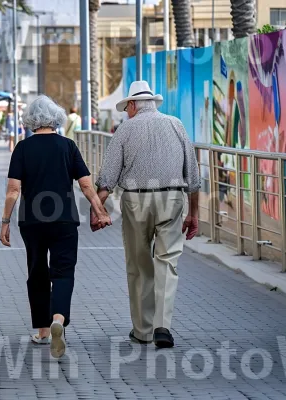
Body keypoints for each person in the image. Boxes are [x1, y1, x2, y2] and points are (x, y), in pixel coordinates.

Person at [0, 95, 111, 358]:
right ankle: (58, 320)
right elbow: (85, 184)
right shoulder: (68, 146)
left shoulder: (23, 148)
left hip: (32, 221)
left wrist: (5, 222)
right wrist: (100, 211)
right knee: (63, 272)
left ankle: (42, 331)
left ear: (30, 120)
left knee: (36, 273)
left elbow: (14, 189)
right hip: (64, 220)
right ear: (56, 118)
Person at [92, 80, 201, 349]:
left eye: (126, 107)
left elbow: (109, 176)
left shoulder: (125, 129)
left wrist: (98, 208)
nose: (126, 112)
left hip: (136, 200)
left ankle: (142, 330)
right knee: (168, 262)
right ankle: (162, 327)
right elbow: (194, 176)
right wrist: (194, 213)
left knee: (139, 264)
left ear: (132, 105)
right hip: (172, 197)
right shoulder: (176, 124)